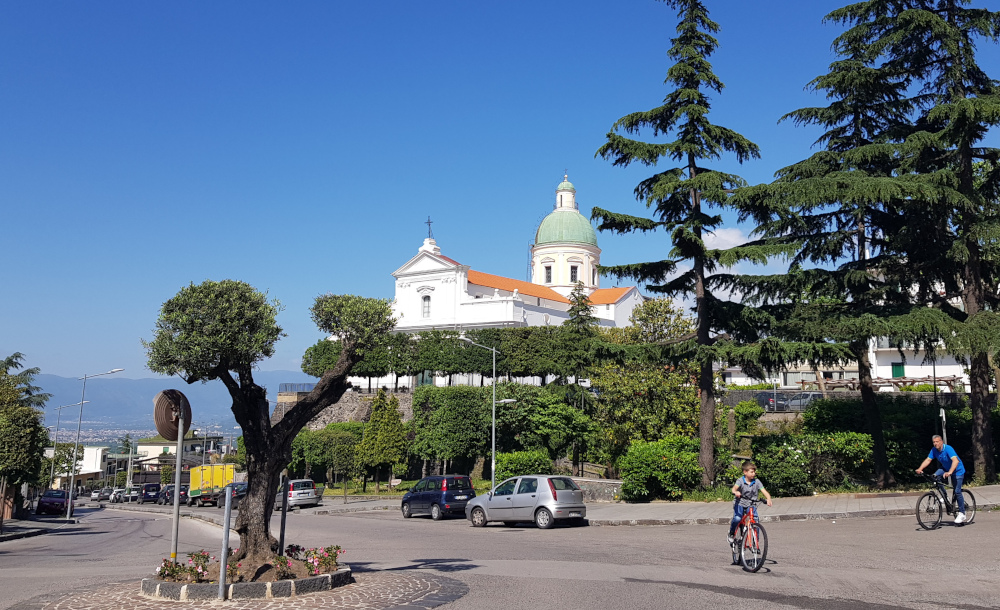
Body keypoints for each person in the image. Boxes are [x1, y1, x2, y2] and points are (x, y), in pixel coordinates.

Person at [916, 434, 966, 523]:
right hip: (945, 468)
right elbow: (928, 460)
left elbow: (955, 460)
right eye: (934, 442)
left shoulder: (948, 448)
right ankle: (944, 496)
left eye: (937, 442)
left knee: (957, 491)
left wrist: (950, 472)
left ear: (941, 442)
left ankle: (962, 513)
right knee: (935, 477)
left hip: (958, 471)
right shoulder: (934, 450)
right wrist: (920, 469)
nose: (935, 444)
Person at [728, 460, 772, 544]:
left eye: (754, 472)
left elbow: (764, 491)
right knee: (737, 518)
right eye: (751, 472)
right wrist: (736, 492)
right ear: (745, 472)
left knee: (755, 520)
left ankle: (756, 541)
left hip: (751, 503)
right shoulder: (740, 481)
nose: (753, 474)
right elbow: (734, 488)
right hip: (740, 503)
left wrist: (768, 498)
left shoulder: (757, 481)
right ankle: (731, 533)